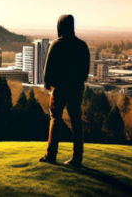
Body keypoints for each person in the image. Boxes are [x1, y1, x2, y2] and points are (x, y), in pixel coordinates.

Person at [39, 15, 90, 167]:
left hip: (59, 89)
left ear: (60, 26)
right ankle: (77, 157)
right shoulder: (82, 45)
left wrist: (49, 86)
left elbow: (47, 72)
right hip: (76, 89)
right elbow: (86, 72)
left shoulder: (56, 45)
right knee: (76, 121)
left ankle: (51, 155)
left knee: (55, 119)